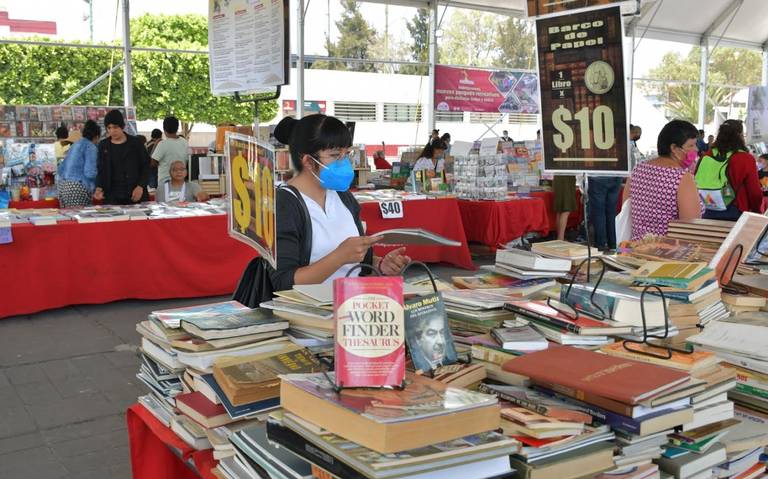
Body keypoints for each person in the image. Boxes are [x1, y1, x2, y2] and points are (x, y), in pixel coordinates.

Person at [270, 114, 411, 290]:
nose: (344, 163)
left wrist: (381, 265)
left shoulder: (342, 196)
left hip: (353, 303)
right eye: (335, 155)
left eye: (346, 154)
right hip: (309, 310)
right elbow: (283, 281)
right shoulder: (284, 204)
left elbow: (361, 261)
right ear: (307, 161)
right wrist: (339, 257)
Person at [622, 120, 703, 240]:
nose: (696, 149)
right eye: (691, 145)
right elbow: (690, 229)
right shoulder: (682, 178)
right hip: (666, 254)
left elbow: (626, 210)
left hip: (634, 249)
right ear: (674, 148)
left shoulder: (637, 170)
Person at [694, 119, 762, 220]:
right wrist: (757, 211)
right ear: (740, 135)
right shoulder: (745, 158)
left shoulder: (707, 155)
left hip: (708, 209)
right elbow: (754, 192)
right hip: (735, 212)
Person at [94, 109, 150, 205]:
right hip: (112, 196)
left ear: (122, 126)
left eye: (115, 127)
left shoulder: (136, 143)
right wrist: (99, 187)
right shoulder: (103, 145)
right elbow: (101, 169)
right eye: (109, 128)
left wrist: (140, 186)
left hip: (135, 194)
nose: (112, 131)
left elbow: (146, 166)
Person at [57, 120, 100, 208]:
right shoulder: (91, 146)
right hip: (77, 188)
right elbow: (90, 172)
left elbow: (61, 168)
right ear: (97, 136)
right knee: (81, 218)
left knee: (70, 219)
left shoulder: (75, 144)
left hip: (62, 187)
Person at [588, 173, 624, 252]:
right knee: (611, 213)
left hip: (597, 176)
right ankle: (613, 245)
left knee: (599, 214)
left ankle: (600, 246)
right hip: (616, 174)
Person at [151, 116, 189, 186]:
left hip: (165, 181)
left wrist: (156, 144)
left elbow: (152, 163)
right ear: (177, 128)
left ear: (164, 129)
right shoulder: (184, 142)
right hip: (181, 181)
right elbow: (187, 160)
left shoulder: (162, 144)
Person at [553, 175, 577, 241]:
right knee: (566, 210)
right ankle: (561, 238)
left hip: (558, 178)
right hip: (567, 179)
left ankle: (559, 237)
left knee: (560, 210)